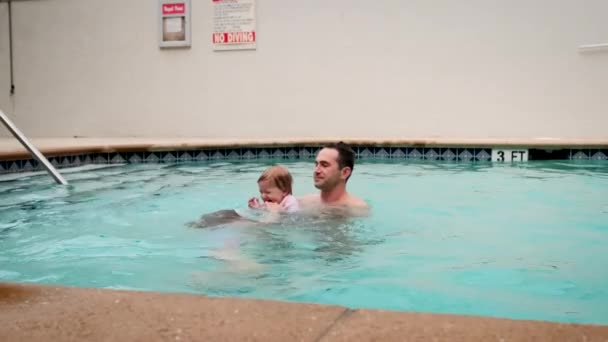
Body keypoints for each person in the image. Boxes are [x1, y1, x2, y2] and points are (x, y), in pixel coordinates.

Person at [298, 142, 369, 216]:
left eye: (324, 165)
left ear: (345, 173)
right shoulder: (304, 202)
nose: (316, 171)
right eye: (316, 164)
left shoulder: (356, 210)